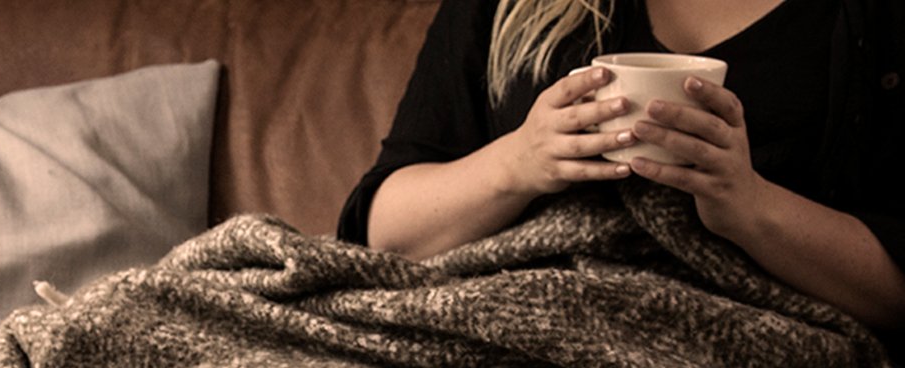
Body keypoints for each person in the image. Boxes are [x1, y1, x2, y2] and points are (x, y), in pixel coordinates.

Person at [338, 0, 905, 331]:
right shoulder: (513, 9)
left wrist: (750, 208)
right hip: (483, 327)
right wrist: (518, 162)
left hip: (727, 351)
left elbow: (894, 297)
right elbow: (381, 235)